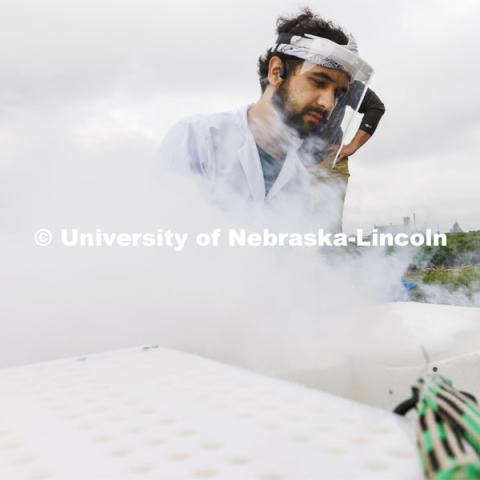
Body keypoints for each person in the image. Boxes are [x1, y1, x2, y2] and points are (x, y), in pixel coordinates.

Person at [157, 8, 385, 231]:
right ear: (276, 72)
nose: (328, 103)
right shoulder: (196, 139)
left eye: (338, 93)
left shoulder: (301, 186)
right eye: (318, 82)